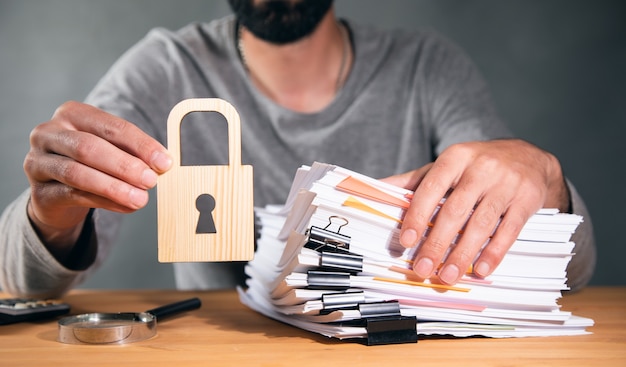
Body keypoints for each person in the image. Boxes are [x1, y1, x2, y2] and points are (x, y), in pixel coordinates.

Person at [0, 0, 595, 298]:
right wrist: (49, 214)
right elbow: (20, 284)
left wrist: (545, 184)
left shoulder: (427, 68)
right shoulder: (164, 68)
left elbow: (572, 272)